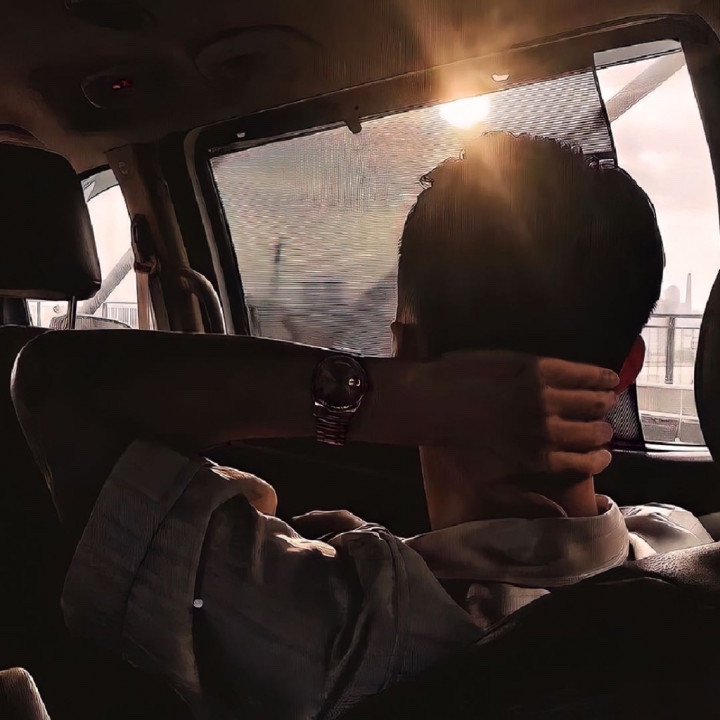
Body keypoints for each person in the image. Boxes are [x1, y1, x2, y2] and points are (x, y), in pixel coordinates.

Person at [11, 132, 710, 720]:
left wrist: (381, 397)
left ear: (405, 353)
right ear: (629, 367)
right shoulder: (685, 548)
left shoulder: (340, 629)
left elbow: (57, 386)